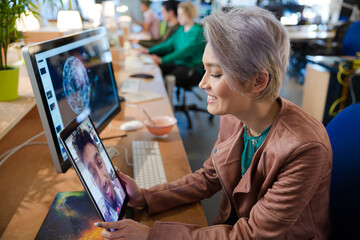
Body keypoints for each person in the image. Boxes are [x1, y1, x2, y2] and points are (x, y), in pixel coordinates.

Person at [95, 7, 332, 239]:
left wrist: (152, 235)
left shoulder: (304, 148)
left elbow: (253, 234)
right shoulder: (234, 114)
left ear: (258, 81)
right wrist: (146, 197)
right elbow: (210, 176)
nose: (202, 83)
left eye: (216, 74)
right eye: (205, 70)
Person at [141, 1, 205, 88]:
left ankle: (166, 101)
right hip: (178, 63)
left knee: (167, 78)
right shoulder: (181, 29)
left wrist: (162, 60)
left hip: (192, 67)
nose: (178, 17)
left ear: (189, 15)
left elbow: (184, 52)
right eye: (178, 14)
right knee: (156, 69)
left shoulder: (198, 32)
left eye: (181, 15)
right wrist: (149, 50)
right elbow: (167, 44)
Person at [72, 128, 126, 222]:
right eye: (93, 173)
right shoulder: (106, 218)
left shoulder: (123, 186)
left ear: (104, 163)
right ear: (92, 181)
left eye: (100, 163)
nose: (102, 180)